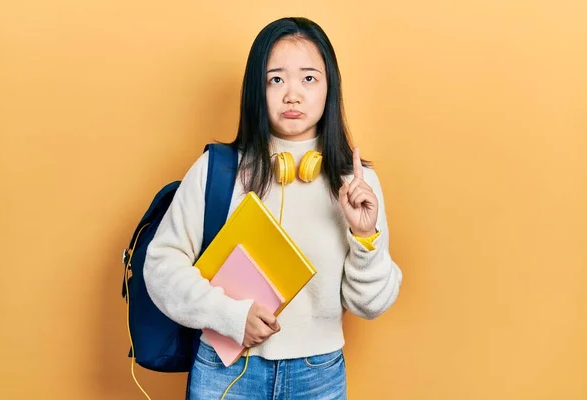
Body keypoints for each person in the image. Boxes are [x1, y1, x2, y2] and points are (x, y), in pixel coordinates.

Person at [143, 16, 403, 400]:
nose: (292, 94)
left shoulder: (355, 183)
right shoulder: (218, 170)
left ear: (330, 88)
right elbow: (161, 267)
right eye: (276, 79)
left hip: (319, 374)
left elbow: (370, 305)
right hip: (225, 369)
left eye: (309, 78)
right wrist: (228, 316)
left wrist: (365, 237)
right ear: (256, 90)